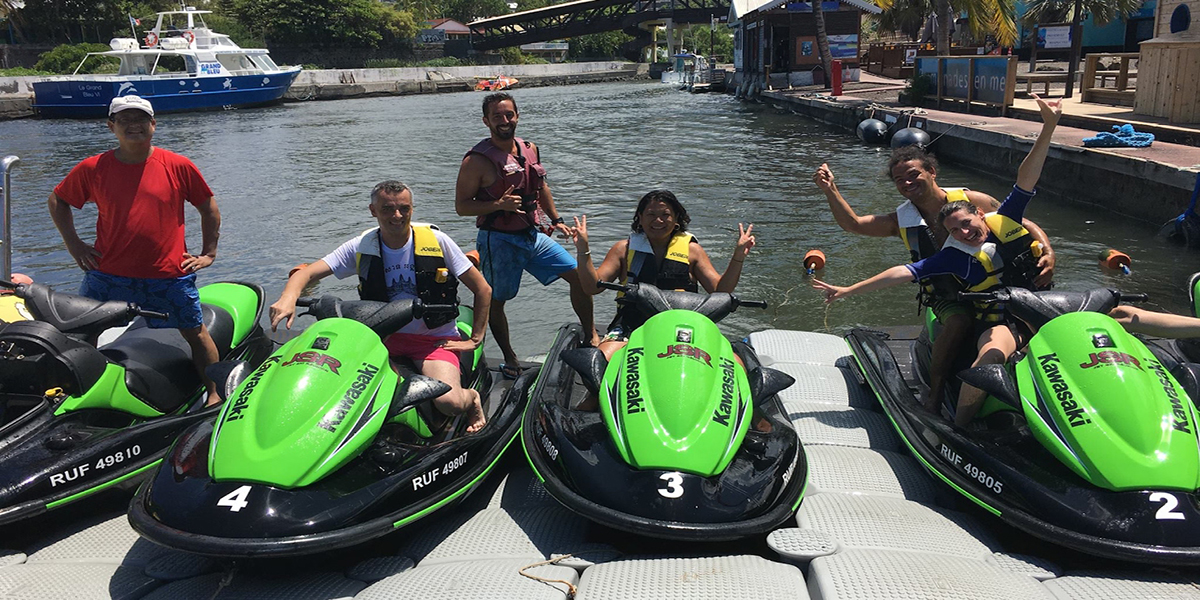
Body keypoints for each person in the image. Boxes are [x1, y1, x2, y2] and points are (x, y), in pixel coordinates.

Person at [812, 96, 1063, 427]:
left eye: (913, 174)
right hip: (949, 294)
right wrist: (831, 191)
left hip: (999, 287)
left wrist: (1047, 249)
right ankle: (935, 394)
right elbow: (855, 225)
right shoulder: (902, 220)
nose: (907, 183)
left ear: (931, 171)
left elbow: (1015, 220)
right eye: (900, 180)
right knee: (958, 322)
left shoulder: (970, 201)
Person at [270, 181, 492, 434]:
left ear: (412, 209)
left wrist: (475, 338)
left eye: (404, 209)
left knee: (448, 402)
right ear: (373, 210)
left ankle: (471, 397)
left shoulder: (437, 241)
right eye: (387, 209)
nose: (396, 216)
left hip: (433, 340)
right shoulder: (362, 246)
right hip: (380, 338)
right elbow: (308, 273)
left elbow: (482, 289)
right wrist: (288, 296)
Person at [48, 95, 223, 406]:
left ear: (153, 125)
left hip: (168, 274)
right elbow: (59, 201)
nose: (133, 125)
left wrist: (208, 252)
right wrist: (74, 243)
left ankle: (214, 392)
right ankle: (69, 395)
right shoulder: (93, 168)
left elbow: (208, 207)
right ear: (111, 126)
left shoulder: (178, 165)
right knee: (78, 334)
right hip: (107, 274)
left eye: (140, 119)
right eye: (124, 120)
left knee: (195, 333)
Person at [455, 92, 596, 379]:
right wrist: (498, 205)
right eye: (497, 116)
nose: (504, 121)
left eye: (509, 115)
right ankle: (509, 357)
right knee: (496, 299)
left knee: (580, 278)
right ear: (486, 121)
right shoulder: (476, 161)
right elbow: (461, 207)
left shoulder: (530, 148)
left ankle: (591, 334)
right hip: (499, 240)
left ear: (517, 116)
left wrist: (556, 220)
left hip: (532, 236)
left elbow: (541, 187)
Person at [571, 189, 756, 362]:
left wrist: (738, 256)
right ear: (640, 219)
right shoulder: (623, 250)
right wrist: (583, 250)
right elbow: (591, 287)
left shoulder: (693, 251)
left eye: (665, 215)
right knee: (602, 359)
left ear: (676, 219)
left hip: (683, 327)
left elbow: (720, 291)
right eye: (651, 215)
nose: (658, 221)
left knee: (736, 363)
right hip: (633, 325)